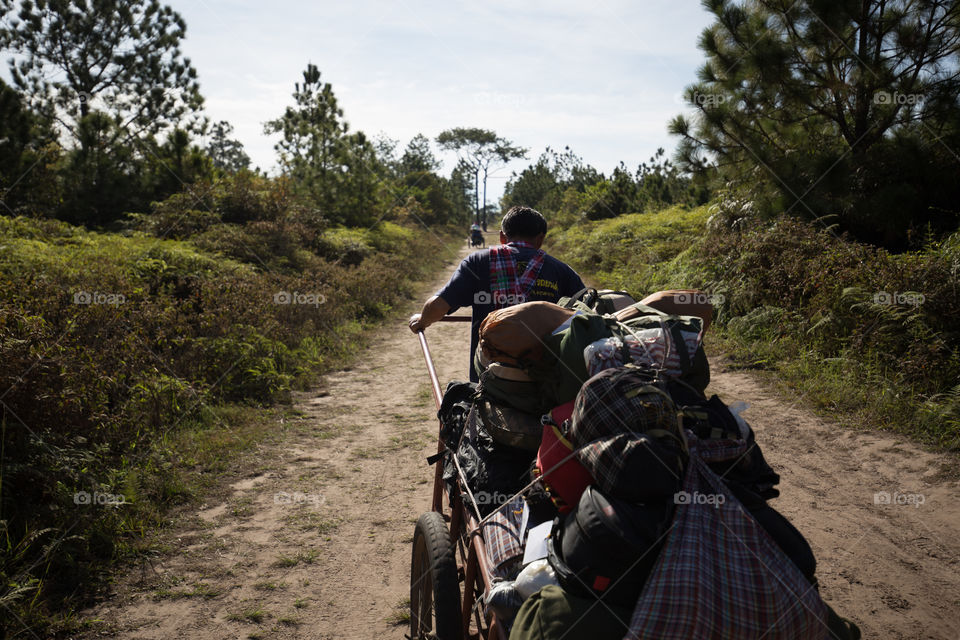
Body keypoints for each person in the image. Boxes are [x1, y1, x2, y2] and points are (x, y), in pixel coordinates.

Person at [409, 205, 585, 381]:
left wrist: (422, 320)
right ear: (540, 239)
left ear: (502, 237)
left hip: (488, 379)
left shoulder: (477, 262)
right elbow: (588, 315)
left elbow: (438, 305)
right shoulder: (561, 271)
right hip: (546, 381)